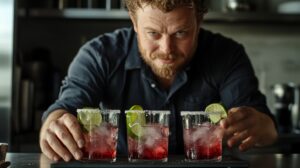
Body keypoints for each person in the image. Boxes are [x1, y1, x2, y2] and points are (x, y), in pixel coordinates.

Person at [39, 0, 278, 162]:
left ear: (199, 21)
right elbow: (62, 111)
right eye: (153, 33)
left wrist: (259, 126)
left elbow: (267, 128)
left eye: (181, 33)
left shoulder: (227, 55)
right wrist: (54, 129)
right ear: (134, 22)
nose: (167, 49)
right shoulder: (99, 55)